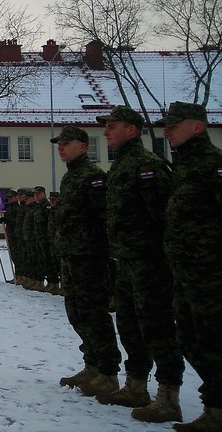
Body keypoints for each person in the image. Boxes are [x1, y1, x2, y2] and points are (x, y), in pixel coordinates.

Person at [87, 105, 184, 423]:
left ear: (131, 130)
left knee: (157, 328)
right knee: (129, 326)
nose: (106, 132)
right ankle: (136, 386)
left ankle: (168, 395)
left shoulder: (147, 166)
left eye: (112, 126)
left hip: (150, 263)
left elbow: (163, 217)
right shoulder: (121, 166)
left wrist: (159, 258)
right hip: (126, 261)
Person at [153, 102, 222, 432]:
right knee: (193, 341)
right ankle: (216, 407)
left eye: (173, 125)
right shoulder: (182, 167)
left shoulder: (213, 165)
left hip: (211, 274)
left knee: (213, 340)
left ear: (197, 126)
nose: (166, 131)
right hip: (186, 273)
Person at [49, 126, 121, 392]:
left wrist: (104, 252)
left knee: (94, 314)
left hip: (90, 257)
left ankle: (108, 371)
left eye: (65, 143)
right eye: (59, 144)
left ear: (82, 146)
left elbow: (105, 216)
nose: (60, 148)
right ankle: (92, 365)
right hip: (72, 256)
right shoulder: (71, 178)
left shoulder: (93, 177)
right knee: (77, 314)